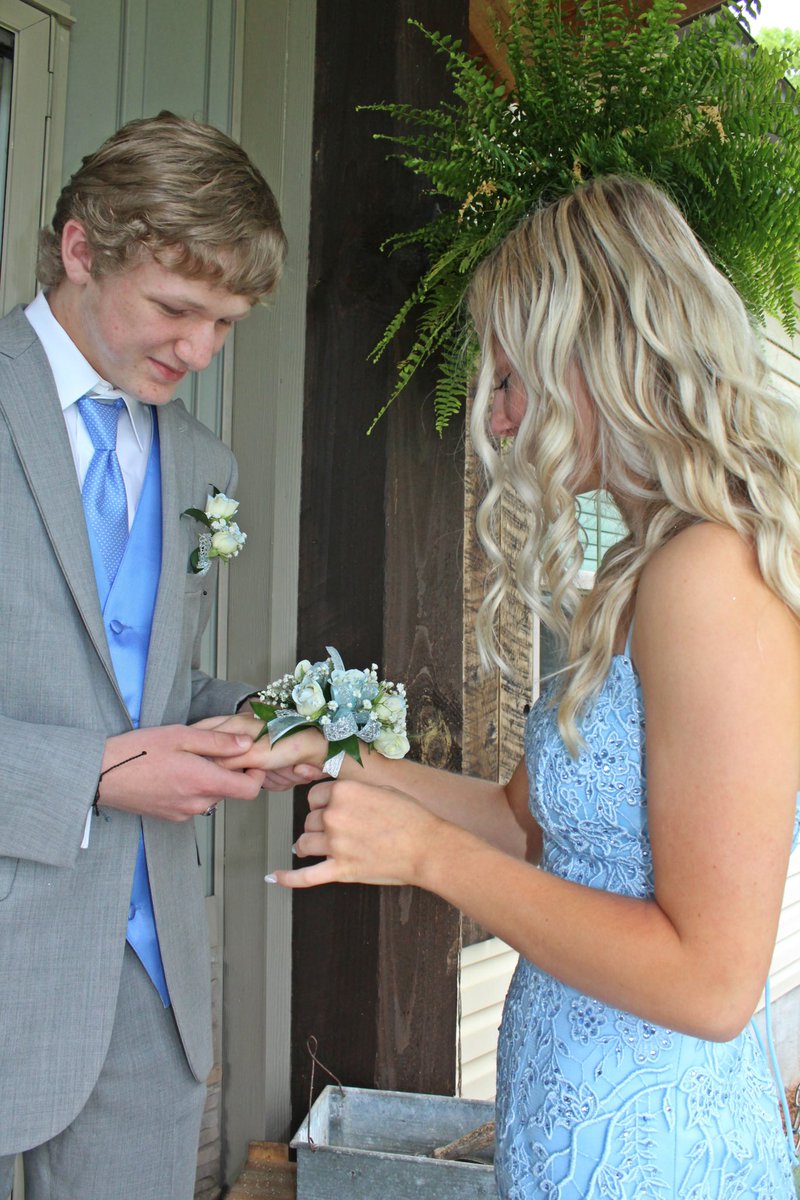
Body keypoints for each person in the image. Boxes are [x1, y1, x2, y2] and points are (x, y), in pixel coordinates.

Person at [226, 176, 800, 1197]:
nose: (492, 417)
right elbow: (522, 826)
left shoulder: (710, 578)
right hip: (564, 1125)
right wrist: (343, 758)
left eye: (509, 376)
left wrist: (425, 857)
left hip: (653, 1154)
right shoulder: (638, 569)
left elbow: (712, 983)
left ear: (600, 363)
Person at [0, 112, 286, 1200]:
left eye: (226, 322)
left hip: (147, 982)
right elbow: (107, 747)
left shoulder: (202, 458)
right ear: (81, 249)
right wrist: (98, 777)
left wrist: (265, 720)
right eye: (177, 307)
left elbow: (151, 693)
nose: (200, 350)